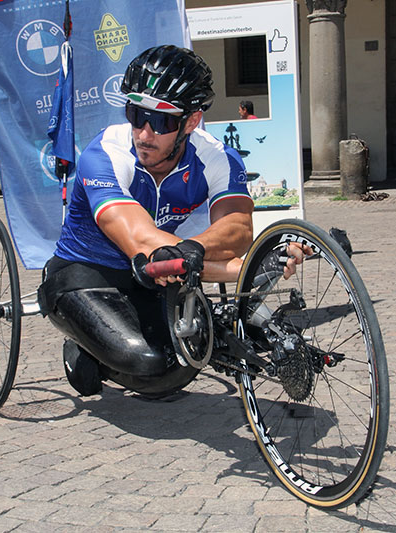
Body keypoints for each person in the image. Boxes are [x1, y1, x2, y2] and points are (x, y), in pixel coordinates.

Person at [39, 46, 304, 397]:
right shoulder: (106, 153)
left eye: (162, 121)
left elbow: (237, 229)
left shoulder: (215, 158)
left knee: (190, 353)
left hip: (152, 277)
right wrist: (215, 260)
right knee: (150, 362)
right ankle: (85, 351)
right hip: (83, 273)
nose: (145, 134)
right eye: (136, 114)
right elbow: (138, 238)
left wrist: (252, 262)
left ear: (191, 121)